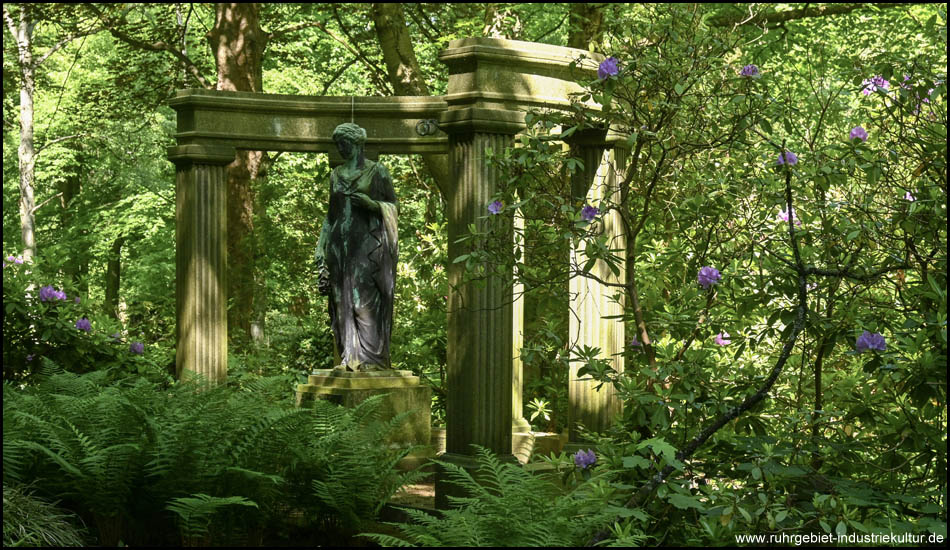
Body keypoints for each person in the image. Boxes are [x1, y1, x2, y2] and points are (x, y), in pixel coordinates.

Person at [315, 123, 398, 371]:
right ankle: (348, 358)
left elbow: (394, 206)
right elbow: (331, 217)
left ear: (358, 144)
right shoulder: (336, 175)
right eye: (338, 144)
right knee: (342, 303)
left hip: (367, 247)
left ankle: (372, 360)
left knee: (364, 304)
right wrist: (321, 246)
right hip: (340, 248)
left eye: (345, 144)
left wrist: (373, 205)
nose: (341, 149)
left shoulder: (377, 172)